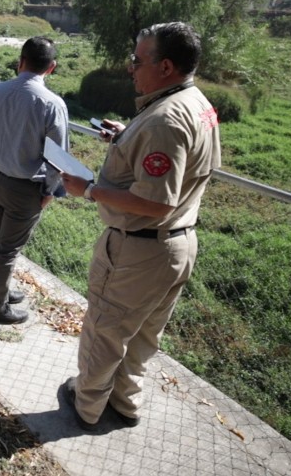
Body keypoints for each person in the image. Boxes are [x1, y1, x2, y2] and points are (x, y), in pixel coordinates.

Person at [60, 22, 221, 431]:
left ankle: (87, 405)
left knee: (106, 330)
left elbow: (154, 201)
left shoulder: (163, 121)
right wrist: (126, 135)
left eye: (137, 60)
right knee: (145, 335)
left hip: (140, 250)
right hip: (178, 244)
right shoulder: (194, 100)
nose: (131, 68)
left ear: (165, 66)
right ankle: (125, 402)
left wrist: (90, 189)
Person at [0, 37, 69, 324]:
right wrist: (50, 191)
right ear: (51, 68)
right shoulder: (52, 104)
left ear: (20, 61)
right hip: (25, 187)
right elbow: (58, 156)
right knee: (8, 249)